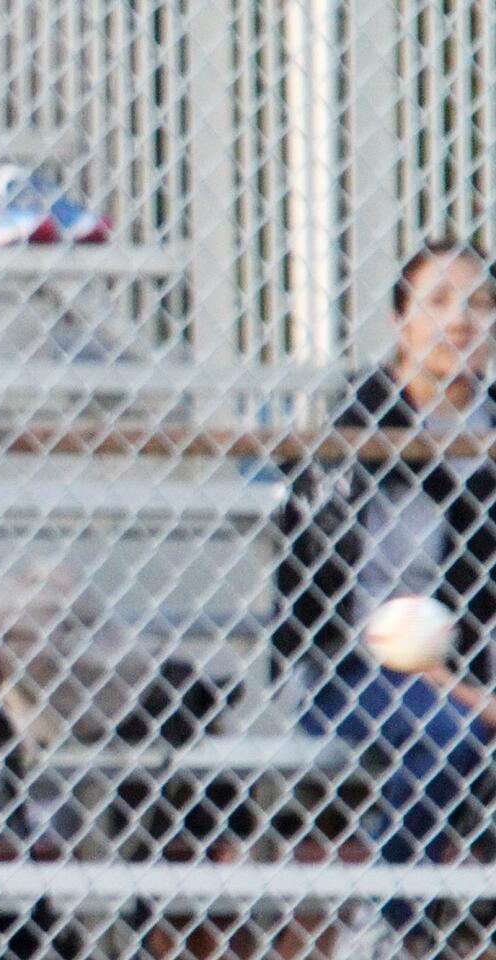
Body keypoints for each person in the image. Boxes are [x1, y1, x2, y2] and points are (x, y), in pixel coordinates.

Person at [274, 239, 496, 955]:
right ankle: (387, 922)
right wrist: (462, 691)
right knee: (456, 732)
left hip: (475, 669)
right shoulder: (357, 427)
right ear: (402, 323)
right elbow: (341, 612)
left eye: (481, 303)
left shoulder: (489, 432)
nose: (461, 321)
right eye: (438, 302)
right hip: (355, 669)